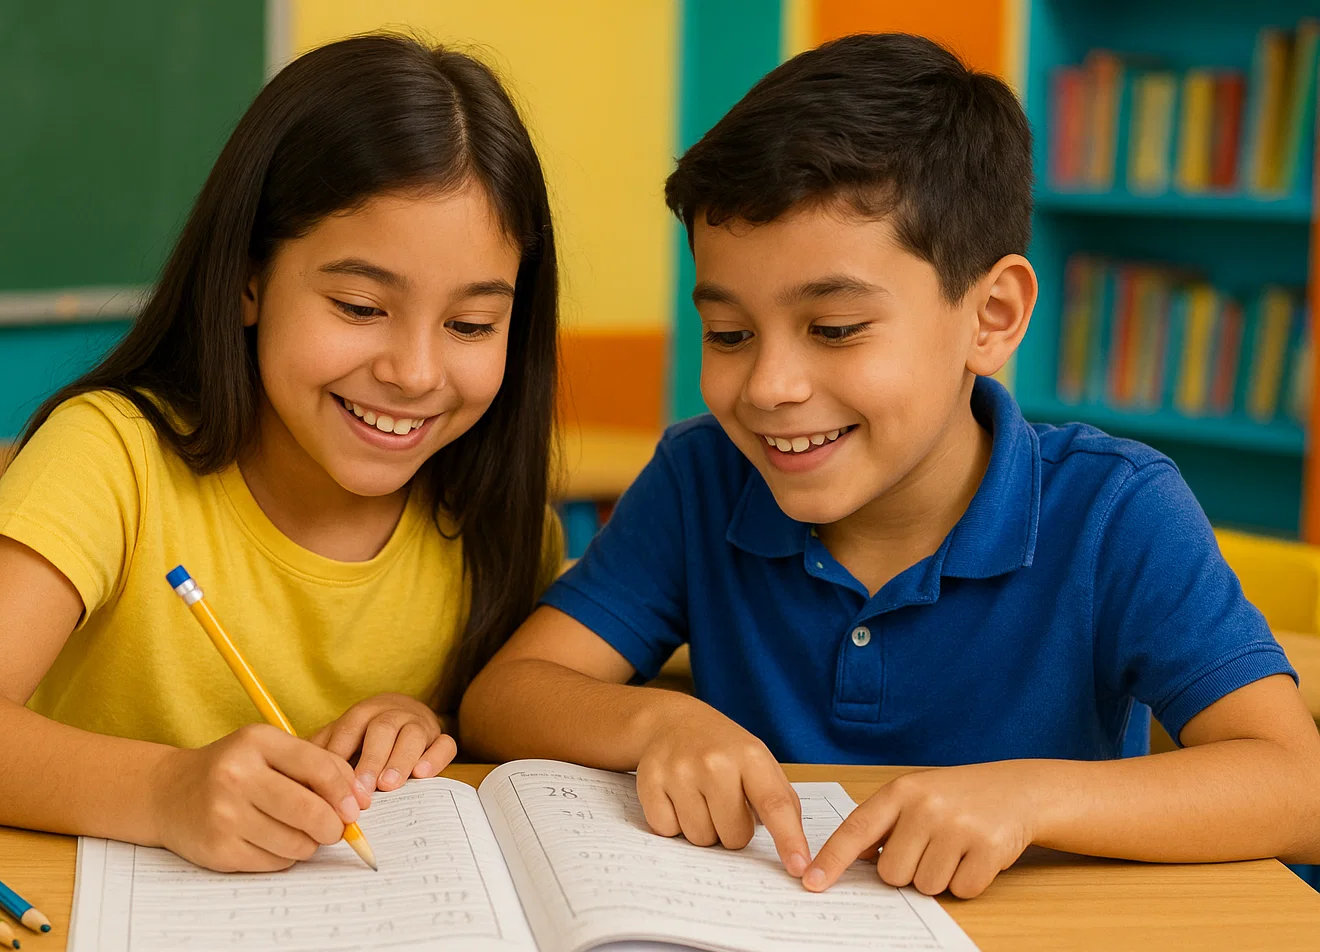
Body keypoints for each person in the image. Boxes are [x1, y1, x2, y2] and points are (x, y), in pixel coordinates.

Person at [460, 33, 1320, 899]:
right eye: (729, 333)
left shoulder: (1113, 511)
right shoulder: (703, 478)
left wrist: (1030, 796)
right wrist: (655, 722)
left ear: (991, 316)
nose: (769, 387)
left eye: (835, 329)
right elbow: (507, 694)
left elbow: (1298, 786)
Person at [0, 34, 563, 873]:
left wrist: (429, 726)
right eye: (358, 306)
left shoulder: (501, 520)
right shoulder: (115, 456)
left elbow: (498, 744)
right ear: (247, 280)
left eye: (471, 325)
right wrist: (168, 790)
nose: (414, 373)